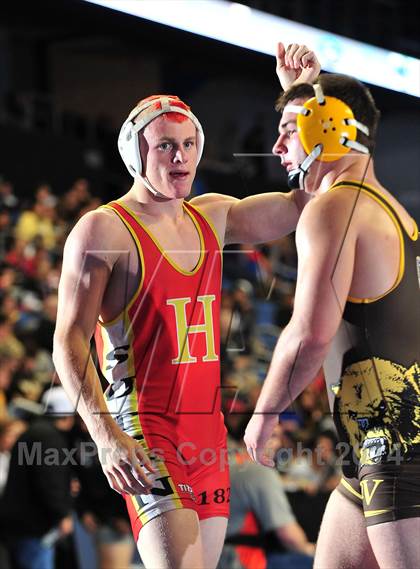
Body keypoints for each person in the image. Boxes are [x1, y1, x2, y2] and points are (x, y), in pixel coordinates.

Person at [52, 44, 320, 568]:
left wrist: (299, 98)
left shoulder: (213, 216)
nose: (181, 156)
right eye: (166, 146)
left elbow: (303, 203)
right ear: (135, 154)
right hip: (146, 429)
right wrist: (105, 437)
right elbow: (67, 341)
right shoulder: (103, 229)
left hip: (207, 435)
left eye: (191, 142)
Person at [244, 68, 420, 568]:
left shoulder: (336, 209)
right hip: (373, 450)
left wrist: (266, 413)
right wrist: (311, 85)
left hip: (399, 451)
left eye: (288, 128)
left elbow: (310, 335)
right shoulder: (391, 212)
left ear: (328, 125)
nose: (278, 147)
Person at [0, 386, 74, 569]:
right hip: (35, 526)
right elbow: (49, 481)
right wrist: (62, 514)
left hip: (20, 524)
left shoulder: (33, 432)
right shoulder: (49, 437)